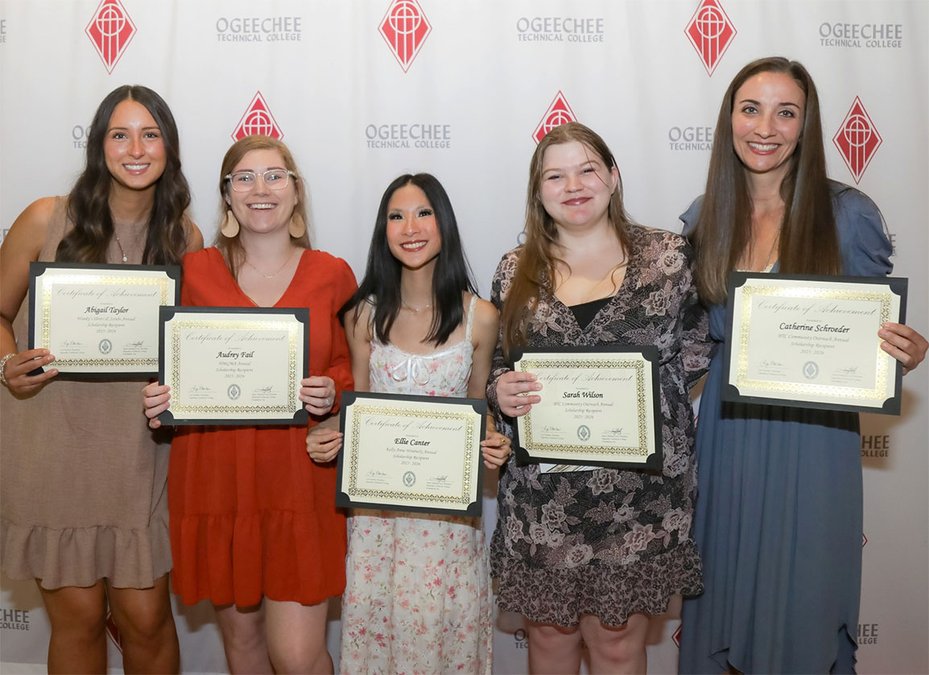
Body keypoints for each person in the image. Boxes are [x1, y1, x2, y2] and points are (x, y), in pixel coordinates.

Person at [677, 56, 928, 674]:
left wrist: (903, 352)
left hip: (814, 442)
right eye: (751, 109)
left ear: (806, 126)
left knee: (803, 607)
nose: (766, 127)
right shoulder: (704, 215)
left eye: (785, 112)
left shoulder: (848, 213)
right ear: (729, 119)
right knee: (724, 596)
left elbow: (872, 340)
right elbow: (684, 339)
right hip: (728, 435)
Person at [487, 121, 710, 674]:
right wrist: (500, 390)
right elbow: (497, 362)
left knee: (616, 648)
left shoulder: (668, 258)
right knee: (550, 645)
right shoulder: (515, 270)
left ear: (612, 176)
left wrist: (647, 399)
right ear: (538, 192)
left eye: (587, 169)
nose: (573, 186)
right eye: (555, 176)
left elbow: (702, 343)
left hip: (640, 498)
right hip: (544, 501)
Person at [0, 85, 201, 673]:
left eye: (150, 134)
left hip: (139, 451)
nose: (136, 149)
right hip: (51, 443)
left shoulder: (185, 239)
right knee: (79, 619)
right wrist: (6, 366)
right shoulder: (46, 218)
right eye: (120, 135)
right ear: (99, 146)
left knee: (147, 620)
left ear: (169, 147)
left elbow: (191, 346)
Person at [142, 135, 354, 673]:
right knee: (243, 647)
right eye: (244, 178)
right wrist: (160, 397)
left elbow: (354, 367)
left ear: (296, 192)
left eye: (275, 176)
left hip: (299, 482)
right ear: (227, 196)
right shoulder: (192, 272)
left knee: (298, 657)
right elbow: (171, 366)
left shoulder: (333, 274)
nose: (261, 189)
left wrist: (333, 390)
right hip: (217, 480)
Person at [307, 173, 510, 674]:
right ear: (384, 230)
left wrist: (492, 443)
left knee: (443, 637)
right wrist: (327, 434)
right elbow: (357, 408)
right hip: (378, 520)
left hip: (447, 521)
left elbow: (478, 410)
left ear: (444, 224)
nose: (410, 228)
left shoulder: (481, 316)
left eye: (423, 213)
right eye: (396, 216)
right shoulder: (362, 316)